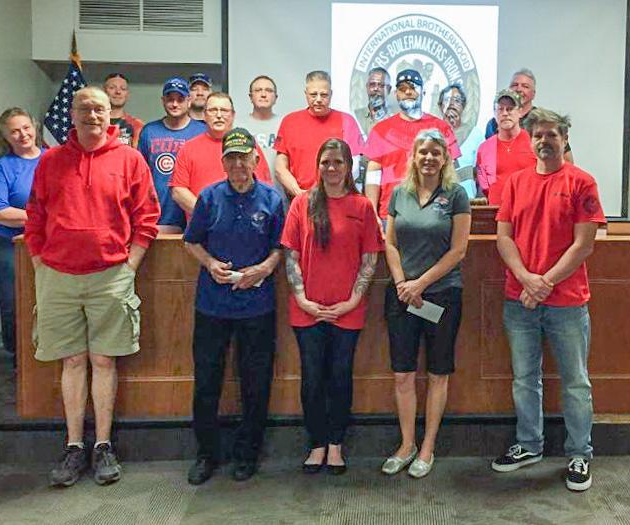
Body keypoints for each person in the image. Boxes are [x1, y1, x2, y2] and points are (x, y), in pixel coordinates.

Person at [25, 86, 160, 488]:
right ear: (73, 114)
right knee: (71, 361)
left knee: (104, 361)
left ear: (110, 115)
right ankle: (74, 446)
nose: (93, 116)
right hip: (58, 276)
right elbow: (35, 216)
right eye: (85, 108)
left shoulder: (130, 159)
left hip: (110, 276)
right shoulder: (50, 161)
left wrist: (129, 266)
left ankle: (102, 445)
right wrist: (39, 265)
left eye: (99, 109)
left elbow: (147, 217)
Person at [491, 108, 605, 492]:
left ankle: (579, 454)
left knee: (575, 382)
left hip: (567, 302)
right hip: (518, 299)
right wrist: (526, 279)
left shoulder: (582, 182)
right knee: (525, 379)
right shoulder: (515, 183)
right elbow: (504, 237)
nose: (544, 140)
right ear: (529, 139)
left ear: (564, 138)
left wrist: (544, 283)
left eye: (552, 134)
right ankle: (529, 445)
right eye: (537, 134)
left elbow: (584, 244)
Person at [184, 128, 284, 485]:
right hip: (213, 305)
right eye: (232, 158)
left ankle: (247, 454)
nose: (239, 164)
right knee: (207, 381)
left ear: (257, 159)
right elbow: (192, 242)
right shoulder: (209, 198)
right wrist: (209, 263)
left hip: (257, 306)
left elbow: (280, 248)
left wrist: (265, 268)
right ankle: (207, 454)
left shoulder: (272, 200)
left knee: (255, 384)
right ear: (223, 162)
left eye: (245, 157)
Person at [281, 138, 383, 475]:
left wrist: (352, 301)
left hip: (347, 311)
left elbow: (370, 259)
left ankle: (336, 443)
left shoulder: (362, 207)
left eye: (338, 162)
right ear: (318, 165)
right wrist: (303, 300)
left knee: (340, 377)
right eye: (326, 162)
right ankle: (317, 443)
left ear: (349, 167)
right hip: (306, 311)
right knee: (312, 379)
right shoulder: (301, 204)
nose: (332, 168)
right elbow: (291, 255)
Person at [381, 129, 471, 478]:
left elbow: (459, 250)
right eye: (423, 152)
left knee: (437, 373)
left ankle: (428, 447)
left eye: (436, 152)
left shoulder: (456, 195)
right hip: (402, 296)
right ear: (413, 157)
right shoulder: (398, 194)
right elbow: (389, 243)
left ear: (445, 158)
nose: (429, 158)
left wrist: (421, 283)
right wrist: (404, 283)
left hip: (442, 295)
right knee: (403, 373)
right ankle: (407, 445)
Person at [0, 108, 45, 366]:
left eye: (26, 128)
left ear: (35, 127)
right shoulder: (1, 168)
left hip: (47, 243)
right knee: (15, 302)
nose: (23, 135)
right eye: (14, 131)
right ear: (5, 137)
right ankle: (19, 360)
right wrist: (44, 216)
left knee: (47, 300)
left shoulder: (54, 158)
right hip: (6, 246)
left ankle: (43, 361)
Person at [365, 69, 460, 229]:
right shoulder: (380, 130)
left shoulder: (441, 128)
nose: (408, 92)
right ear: (396, 94)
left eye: (413, 87)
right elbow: (373, 174)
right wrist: (371, 211)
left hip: (434, 214)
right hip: (391, 213)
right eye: (402, 89)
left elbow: (452, 171)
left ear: (423, 91)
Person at [170, 92, 271, 217]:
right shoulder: (188, 148)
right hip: (203, 231)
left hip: (244, 227)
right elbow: (178, 191)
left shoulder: (249, 146)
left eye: (224, 110)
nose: (218, 115)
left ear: (233, 115)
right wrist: (209, 214)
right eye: (213, 110)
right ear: (205, 115)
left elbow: (263, 188)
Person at [274, 71, 364, 196]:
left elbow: (354, 167)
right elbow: (280, 167)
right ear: (305, 94)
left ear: (331, 94)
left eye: (324, 95)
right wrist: (299, 193)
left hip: (338, 199)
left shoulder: (347, 121)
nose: (318, 100)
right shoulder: (289, 122)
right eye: (313, 94)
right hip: (300, 198)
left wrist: (335, 193)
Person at [138, 76, 206, 232]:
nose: (175, 104)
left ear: (189, 100)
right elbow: (140, 175)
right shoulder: (149, 131)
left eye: (180, 99)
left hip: (192, 211)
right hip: (158, 211)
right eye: (170, 99)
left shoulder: (202, 131)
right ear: (163, 100)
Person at [484, 68, 573, 162]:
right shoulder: (493, 124)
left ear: (533, 94)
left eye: (525, 86)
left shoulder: (543, 120)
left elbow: (567, 160)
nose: (518, 89)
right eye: (514, 85)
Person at [475, 90, 536, 205]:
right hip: (496, 214)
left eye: (510, 109)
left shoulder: (534, 142)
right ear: (494, 113)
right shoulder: (484, 149)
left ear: (520, 112)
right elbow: (484, 185)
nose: (505, 113)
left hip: (530, 213)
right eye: (500, 109)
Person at [234, 75, 284, 204]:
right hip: (244, 195)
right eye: (258, 90)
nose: (263, 94)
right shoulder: (236, 125)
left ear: (276, 97)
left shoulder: (285, 124)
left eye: (268, 90)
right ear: (250, 97)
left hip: (280, 196)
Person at [103, 73, 143, 147]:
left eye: (123, 88)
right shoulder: (95, 123)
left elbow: (137, 155)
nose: (118, 92)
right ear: (104, 92)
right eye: (112, 88)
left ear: (127, 94)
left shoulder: (136, 124)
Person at [354, 67, 393, 139]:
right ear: (367, 87)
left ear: (389, 89)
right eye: (372, 84)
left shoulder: (397, 116)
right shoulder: (356, 116)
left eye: (381, 85)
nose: (376, 89)